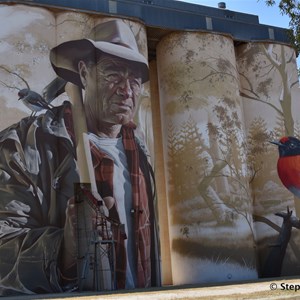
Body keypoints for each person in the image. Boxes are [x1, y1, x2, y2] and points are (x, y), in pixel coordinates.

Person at [0, 19, 161, 295]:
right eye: (113, 74)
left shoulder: (140, 151)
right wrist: (65, 249)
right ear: (84, 74)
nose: (126, 90)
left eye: (134, 80)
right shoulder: (25, 145)